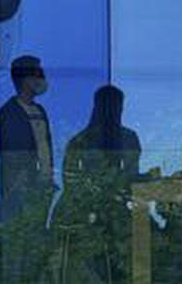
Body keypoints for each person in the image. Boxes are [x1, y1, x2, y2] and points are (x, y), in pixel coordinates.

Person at [55, 85, 142, 283]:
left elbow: (70, 182)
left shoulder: (80, 140)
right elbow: (130, 178)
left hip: (101, 212)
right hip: (90, 215)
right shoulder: (124, 138)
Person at [0, 55, 54, 283]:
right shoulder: (8, 112)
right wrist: (21, 185)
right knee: (20, 247)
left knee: (36, 247)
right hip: (22, 192)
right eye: (38, 74)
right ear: (26, 79)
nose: (42, 79)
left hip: (42, 189)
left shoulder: (40, 111)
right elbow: (12, 158)